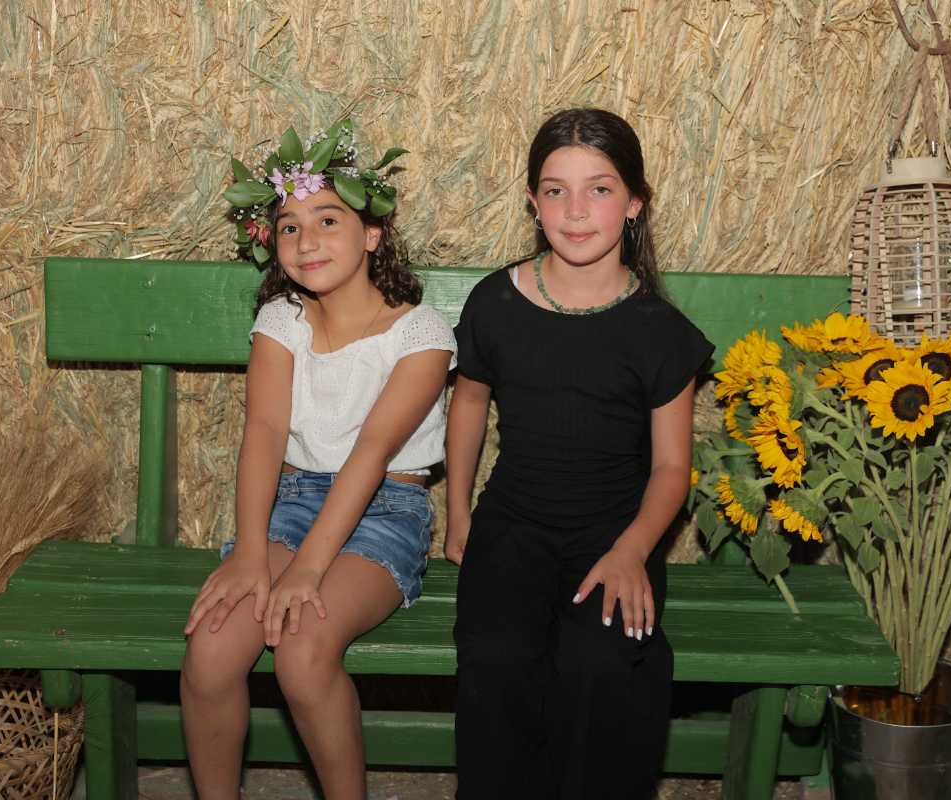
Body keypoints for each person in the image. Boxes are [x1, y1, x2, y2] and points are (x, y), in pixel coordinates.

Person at [180, 120, 456, 800]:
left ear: (373, 234)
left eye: (328, 220)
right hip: (294, 502)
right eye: (290, 227)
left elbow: (372, 450)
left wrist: (305, 569)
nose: (307, 241)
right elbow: (265, 430)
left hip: (385, 509)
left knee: (302, 654)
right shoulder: (282, 321)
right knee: (211, 649)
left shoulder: (420, 335)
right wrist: (252, 553)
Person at [447, 108, 713, 800]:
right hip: (514, 522)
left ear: (634, 204)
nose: (575, 210)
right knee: (496, 661)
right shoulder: (495, 302)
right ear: (532, 204)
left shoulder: (660, 331)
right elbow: (469, 402)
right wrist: (458, 512)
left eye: (599, 189)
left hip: (616, 532)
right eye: (555, 190)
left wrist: (632, 552)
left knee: (602, 667)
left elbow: (671, 468)